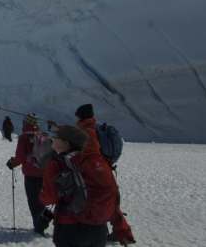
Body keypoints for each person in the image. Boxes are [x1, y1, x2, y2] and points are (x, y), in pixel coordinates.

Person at [41, 125, 118, 247]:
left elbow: (48, 198)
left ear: (66, 143)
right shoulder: (95, 161)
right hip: (98, 229)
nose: (52, 140)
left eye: (56, 138)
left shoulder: (56, 164)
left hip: (69, 228)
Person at [74, 104, 136, 245]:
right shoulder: (98, 129)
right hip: (106, 171)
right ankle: (124, 234)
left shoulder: (86, 132)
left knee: (97, 205)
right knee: (112, 204)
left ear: (80, 116)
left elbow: (85, 155)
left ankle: (97, 236)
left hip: (95, 174)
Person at [6, 114, 53, 235]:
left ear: (25, 123)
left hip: (31, 175)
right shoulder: (42, 136)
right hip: (44, 174)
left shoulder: (23, 138)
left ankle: (39, 226)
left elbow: (20, 157)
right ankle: (43, 220)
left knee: (34, 202)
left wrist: (12, 163)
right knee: (42, 200)